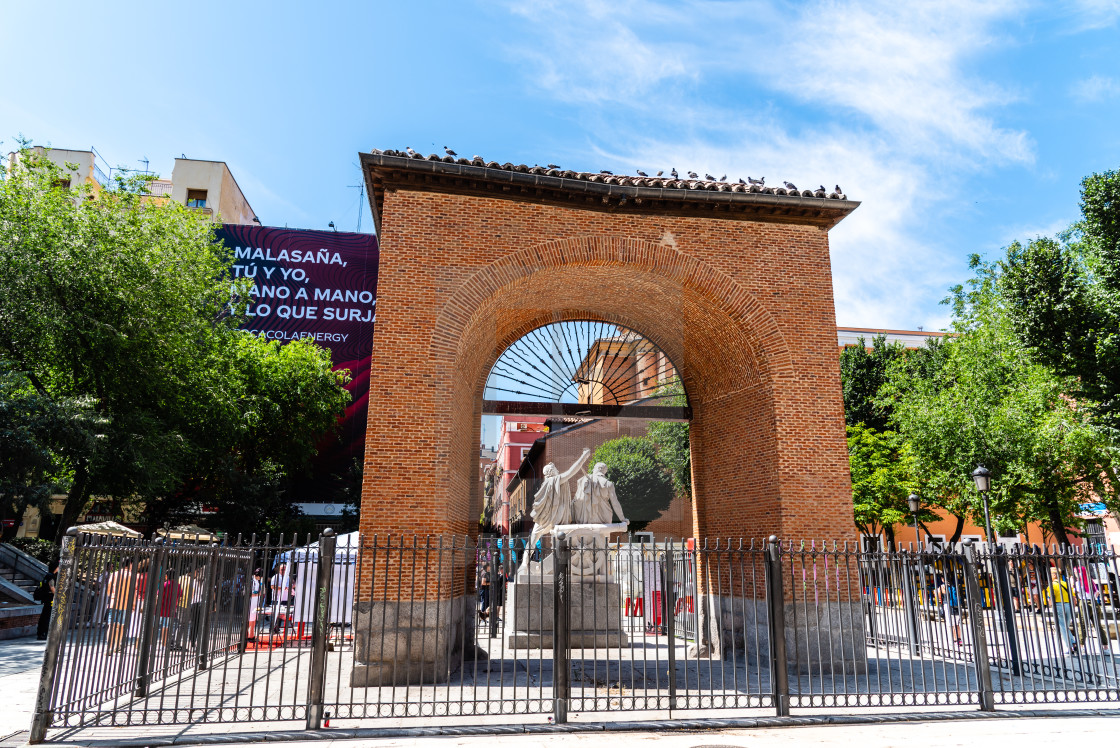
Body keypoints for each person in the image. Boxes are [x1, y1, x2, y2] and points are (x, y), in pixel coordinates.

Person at [528, 448, 591, 550]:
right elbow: (572, 471)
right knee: (548, 537)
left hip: (545, 515)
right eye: (555, 469)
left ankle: (525, 561)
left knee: (533, 539)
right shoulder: (556, 480)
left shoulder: (548, 482)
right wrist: (584, 457)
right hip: (553, 515)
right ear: (552, 472)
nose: (557, 470)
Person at [104, 558, 135, 653]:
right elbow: (133, 592)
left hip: (114, 603)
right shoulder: (131, 575)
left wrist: (113, 595)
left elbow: (108, 589)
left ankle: (109, 647)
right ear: (129, 564)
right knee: (121, 626)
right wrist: (133, 605)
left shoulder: (114, 574)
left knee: (111, 626)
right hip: (125, 605)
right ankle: (117, 645)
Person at [1049, 561, 1080, 654]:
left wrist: (1051, 606)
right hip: (1068, 606)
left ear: (1054, 575)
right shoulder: (1066, 584)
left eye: (1050, 574)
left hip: (1059, 606)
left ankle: (1069, 647)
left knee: (1062, 627)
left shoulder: (1052, 585)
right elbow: (1073, 597)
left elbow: (1051, 599)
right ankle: (1074, 642)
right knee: (1065, 626)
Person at [938, 570, 963, 646]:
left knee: (951, 624)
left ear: (942, 579)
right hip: (956, 605)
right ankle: (959, 639)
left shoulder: (942, 586)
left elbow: (940, 597)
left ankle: (955, 640)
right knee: (957, 624)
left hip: (948, 605)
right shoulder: (955, 585)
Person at [157, 570, 181, 649]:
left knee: (155, 626)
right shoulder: (177, 585)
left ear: (166, 575)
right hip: (171, 609)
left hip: (161, 608)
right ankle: (164, 645)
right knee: (166, 627)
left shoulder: (164, 585)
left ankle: (151, 645)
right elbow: (180, 595)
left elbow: (158, 595)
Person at [270, 562, 294, 634]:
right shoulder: (275, 577)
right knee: (276, 614)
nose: (283, 570)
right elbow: (272, 586)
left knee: (282, 614)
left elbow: (291, 585)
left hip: (285, 598)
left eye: (284, 569)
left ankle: (277, 628)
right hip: (277, 598)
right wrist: (282, 588)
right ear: (279, 569)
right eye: (282, 569)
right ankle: (272, 628)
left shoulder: (288, 577)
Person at [34, 565, 57, 640]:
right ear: (56, 568)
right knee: (47, 616)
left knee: (45, 615)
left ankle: (41, 632)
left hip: (46, 598)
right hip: (49, 598)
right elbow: (52, 587)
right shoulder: (51, 576)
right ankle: (43, 633)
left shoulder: (48, 575)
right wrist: (58, 595)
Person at [247, 568, 263, 641]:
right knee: (250, 620)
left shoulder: (257, 581)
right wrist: (258, 594)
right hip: (251, 602)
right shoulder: (251, 581)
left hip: (255, 602)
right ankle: (245, 635)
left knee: (253, 620)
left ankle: (251, 635)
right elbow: (249, 593)